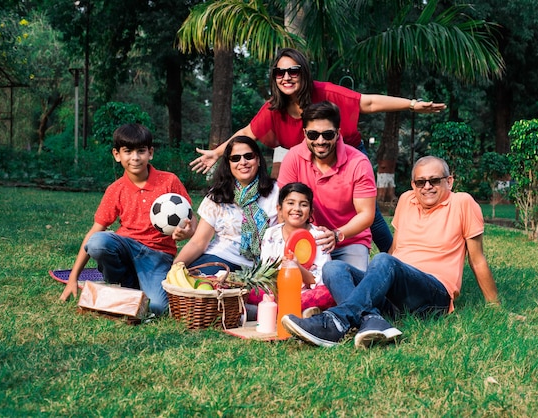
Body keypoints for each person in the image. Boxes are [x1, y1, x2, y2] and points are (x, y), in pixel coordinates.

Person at [190, 48, 446, 254]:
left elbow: (367, 102)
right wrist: (218, 151)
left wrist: (412, 104)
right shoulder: (274, 109)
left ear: (304, 73)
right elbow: (249, 131)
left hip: (347, 155)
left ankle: (394, 259)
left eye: (293, 71)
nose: (286, 77)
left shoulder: (325, 92)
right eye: (280, 73)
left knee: (368, 213)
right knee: (301, 206)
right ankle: (304, 253)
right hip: (305, 162)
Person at [281, 156, 500, 348]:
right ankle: (373, 321)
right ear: (413, 184)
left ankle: (336, 322)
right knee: (333, 267)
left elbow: (477, 259)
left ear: (449, 182)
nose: (427, 187)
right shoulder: (406, 200)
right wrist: (380, 279)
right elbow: (397, 248)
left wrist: (495, 307)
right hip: (396, 293)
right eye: (420, 182)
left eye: (434, 180)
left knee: (384, 260)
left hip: (434, 293)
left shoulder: (463, 202)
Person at [59, 124, 197, 314]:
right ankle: (125, 283)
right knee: (98, 242)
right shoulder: (115, 190)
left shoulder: (169, 181)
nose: (135, 157)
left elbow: (192, 219)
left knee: (157, 308)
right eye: (128, 151)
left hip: (157, 254)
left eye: (141, 151)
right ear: (117, 155)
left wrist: (187, 231)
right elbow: (95, 231)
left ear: (150, 153)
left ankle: (134, 288)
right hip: (126, 246)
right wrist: (73, 278)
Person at [277, 101, 376, 271]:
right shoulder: (293, 157)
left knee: (351, 289)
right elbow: (284, 206)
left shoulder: (358, 162)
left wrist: (337, 235)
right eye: (313, 135)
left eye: (328, 135)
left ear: (338, 133)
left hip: (349, 241)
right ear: (304, 133)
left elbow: (366, 214)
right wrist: (289, 240)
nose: (320, 141)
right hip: (306, 238)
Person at [173, 136, 278, 275]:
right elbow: (198, 242)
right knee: (193, 284)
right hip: (221, 257)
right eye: (235, 158)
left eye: (249, 156)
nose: (243, 162)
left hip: (261, 266)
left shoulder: (276, 192)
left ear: (258, 160)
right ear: (228, 164)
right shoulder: (218, 194)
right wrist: (174, 268)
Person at [257, 182, 334, 315]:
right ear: (279, 209)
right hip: (276, 292)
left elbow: (318, 282)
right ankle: (290, 312)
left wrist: (297, 267)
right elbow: (265, 275)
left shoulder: (319, 237)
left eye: (303, 204)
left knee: (328, 294)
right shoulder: (271, 234)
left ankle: (274, 312)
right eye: (290, 203)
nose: (297, 209)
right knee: (250, 290)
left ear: (311, 211)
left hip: (306, 294)